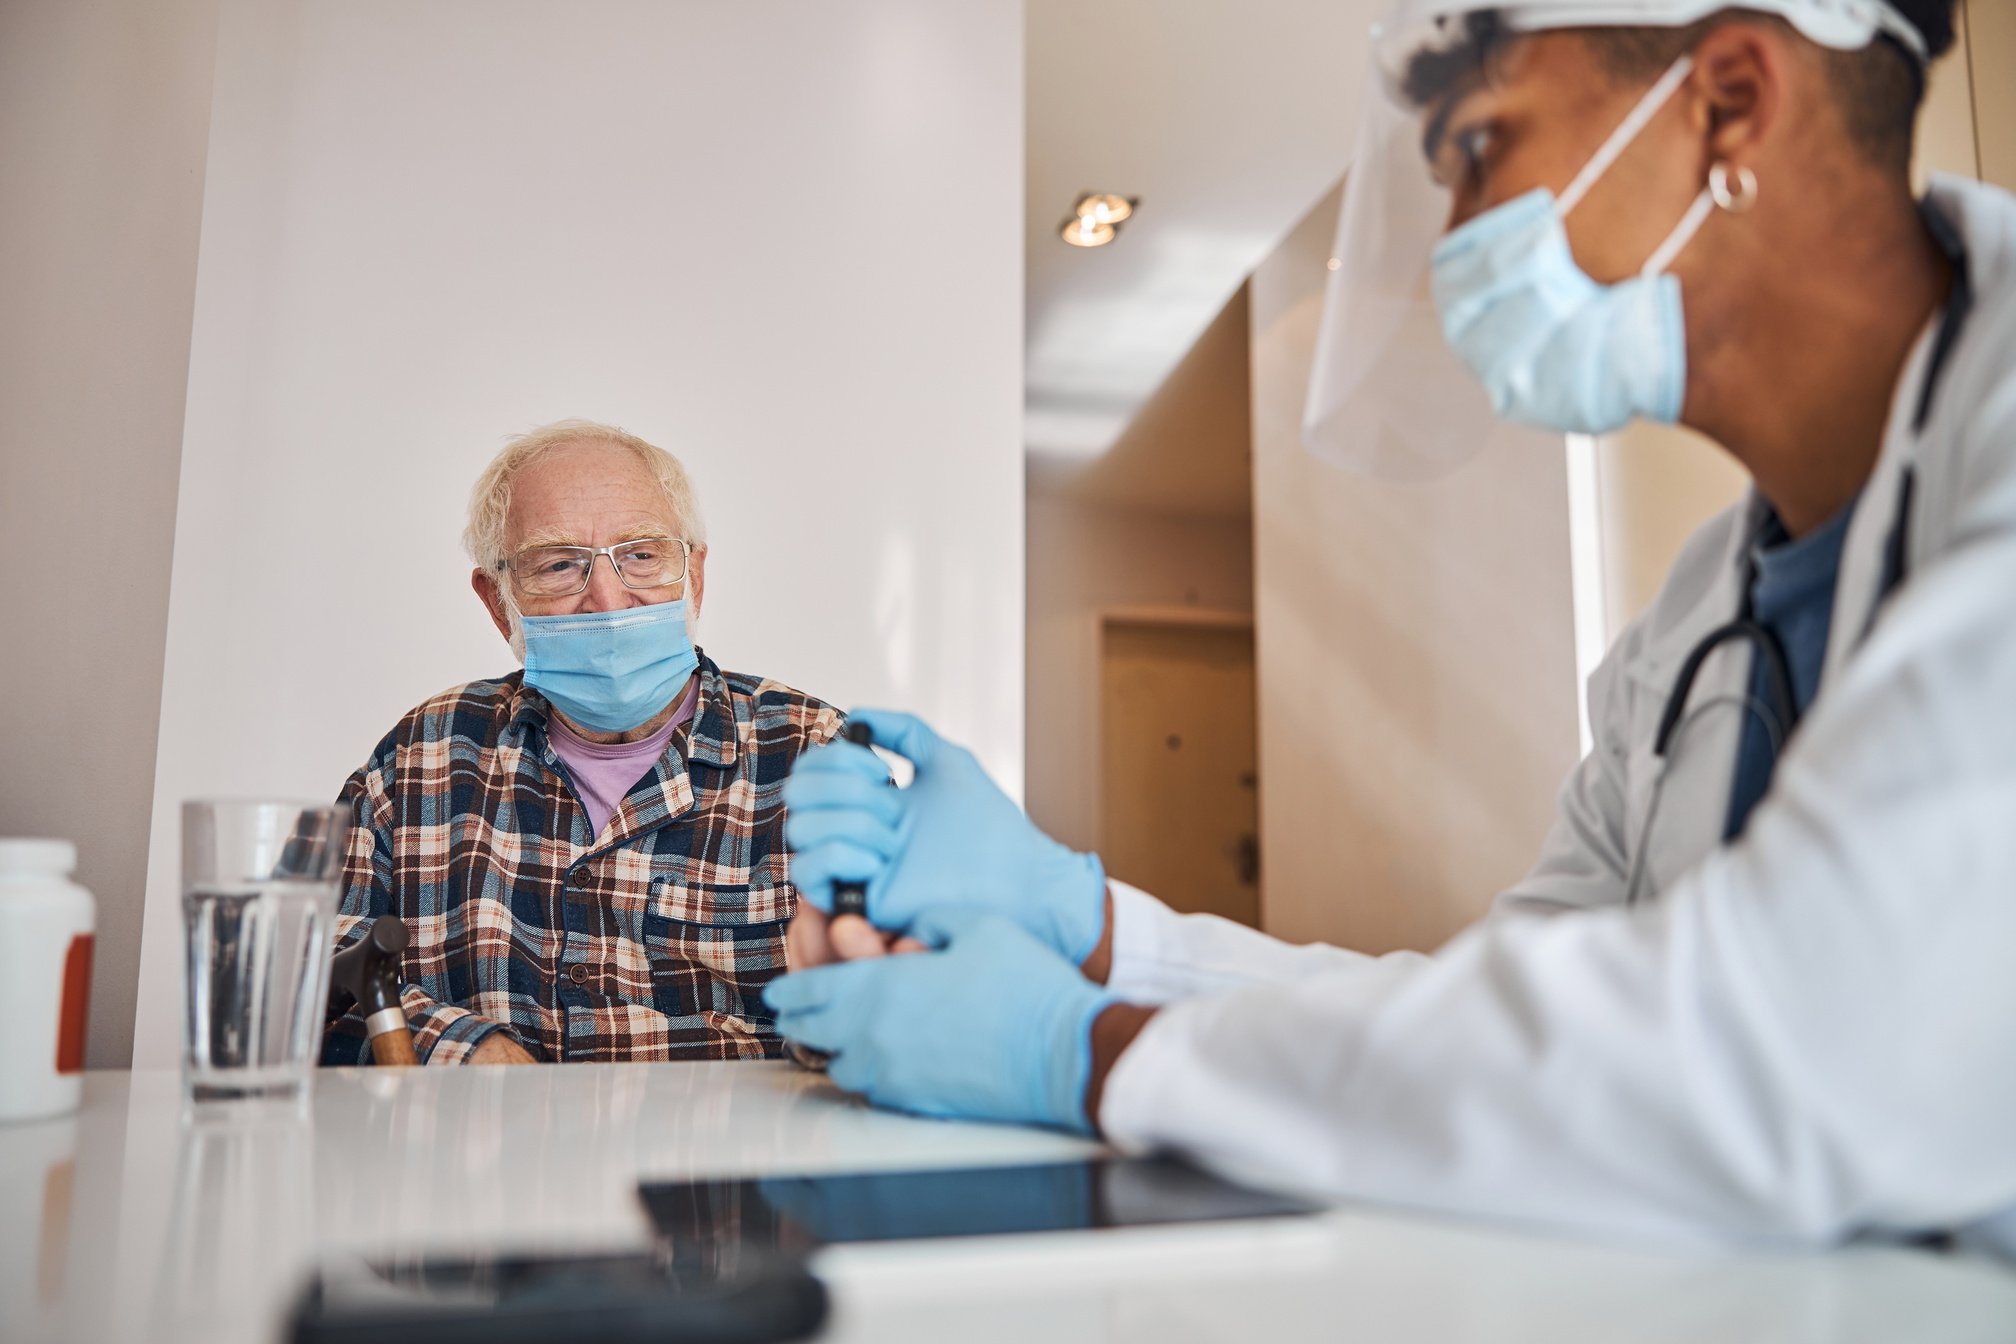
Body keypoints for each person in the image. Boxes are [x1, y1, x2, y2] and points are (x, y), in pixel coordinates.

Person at [763, 0, 2016, 1247]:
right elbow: (1502, 1029)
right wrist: (1090, 929)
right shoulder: (1695, 619)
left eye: (1479, 148)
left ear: (1732, 102)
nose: (1455, 239)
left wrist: (1084, 1051)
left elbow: (1787, 1059)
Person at [322, 419, 843, 1065]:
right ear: (497, 601)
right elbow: (300, 978)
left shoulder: (815, 756)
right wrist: (458, 1051)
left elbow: (894, 1018)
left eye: (642, 555)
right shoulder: (422, 756)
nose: (608, 600)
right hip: (483, 1135)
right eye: (559, 564)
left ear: (695, 575)